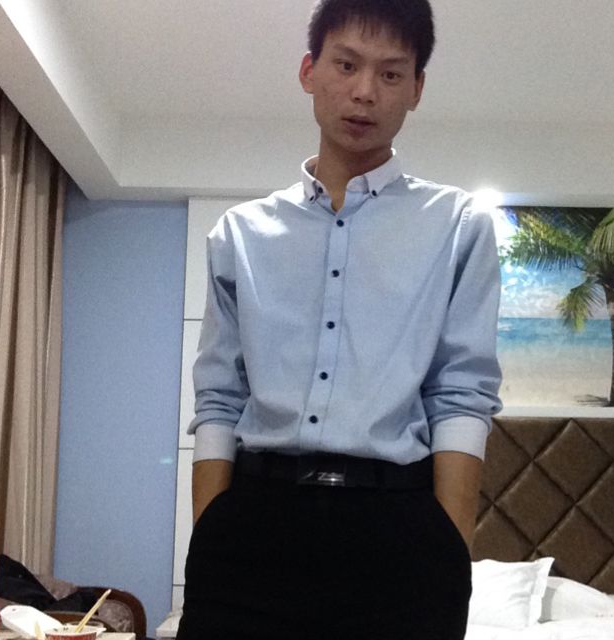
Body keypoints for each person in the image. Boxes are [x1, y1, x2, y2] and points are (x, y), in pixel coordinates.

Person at [177, 0, 502, 638]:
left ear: (417, 88)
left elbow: (462, 391)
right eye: (346, 65)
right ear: (309, 71)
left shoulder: (458, 226)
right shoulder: (241, 234)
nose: (364, 92)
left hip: (399, 531)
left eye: (390, 73)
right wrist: (210, 527)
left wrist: (448, 542)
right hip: (253, 525)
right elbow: (219, 395)